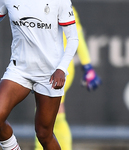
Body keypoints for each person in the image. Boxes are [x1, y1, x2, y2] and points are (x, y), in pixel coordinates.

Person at [0, 0, 79, 149]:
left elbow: (73, 39)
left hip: (49, 73)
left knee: (44, 134)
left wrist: (61, 68)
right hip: (19, 70)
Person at [34, 6, 102, 150]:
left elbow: (77, 36)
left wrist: (87, 65)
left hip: (61, 68)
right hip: (43, 67)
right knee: (53, 114)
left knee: (45, 114)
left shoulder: (65, 6)